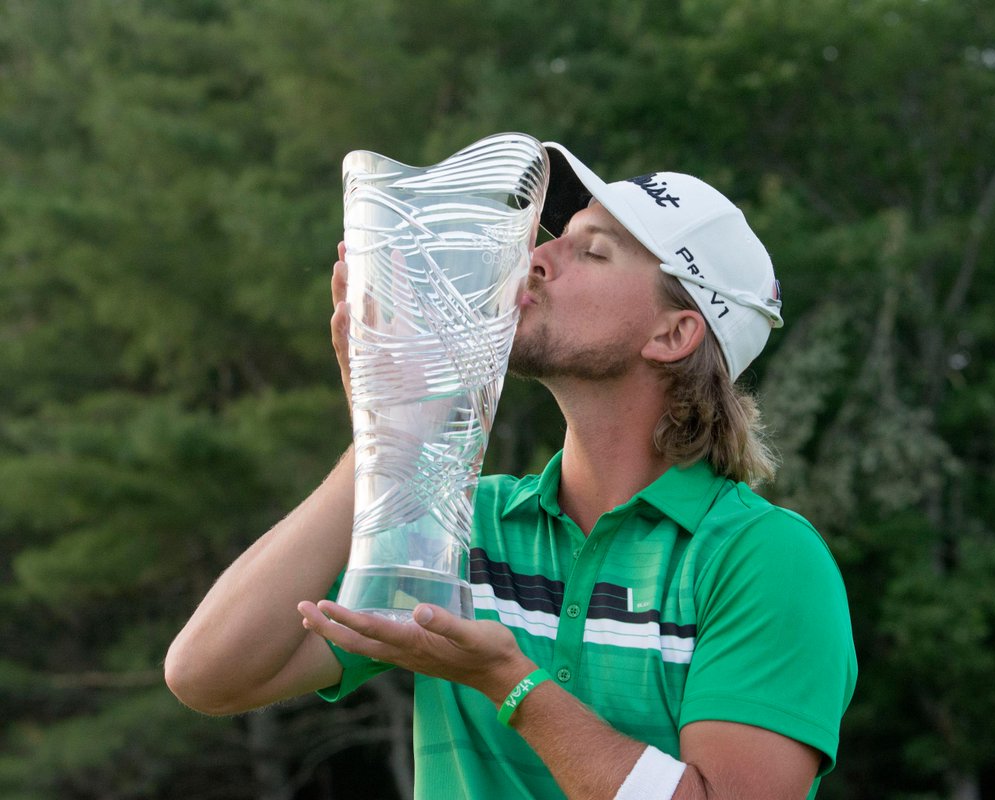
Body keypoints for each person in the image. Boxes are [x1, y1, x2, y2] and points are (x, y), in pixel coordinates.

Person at [165, 142, 857, 800]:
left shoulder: (761, 559)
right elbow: (208, 675)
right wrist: (391, 429)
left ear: (673, 334)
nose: (534, 259)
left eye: (591, 251)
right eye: (551, 237)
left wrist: (508, 682)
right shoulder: (464, 525)